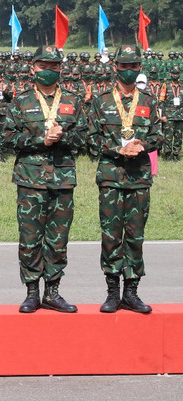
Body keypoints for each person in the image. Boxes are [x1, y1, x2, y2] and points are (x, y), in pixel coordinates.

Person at [3, 46, 86, 313]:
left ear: (61, 68)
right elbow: (7, 137)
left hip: (62, 179)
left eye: (53, 66)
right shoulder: (21, 101)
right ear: (33, 68)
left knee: (58, 239)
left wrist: (64, 137)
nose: (48, 70)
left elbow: (87, 137)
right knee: (30, 238)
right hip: (30, 180)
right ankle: (31, 292)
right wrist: (41, 140)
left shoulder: (73, 100)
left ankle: (52, 291)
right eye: (43, 66)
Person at [86, 44, 162, 313]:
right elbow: (91, 138)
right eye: (123, 66)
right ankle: (112, 292)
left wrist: (143, 145)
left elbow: (158, 135)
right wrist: (117, 149)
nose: (128, 70)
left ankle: (131, 292)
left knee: (135, 236)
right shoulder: (101, 101)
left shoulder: (149, 101)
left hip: (139, 178)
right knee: (110, 236)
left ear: (139, 67)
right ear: (115, 67)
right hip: (111, 178)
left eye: (133, 66)